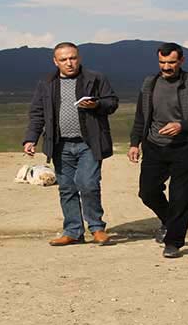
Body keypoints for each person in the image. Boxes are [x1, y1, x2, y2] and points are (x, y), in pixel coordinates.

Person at [127, 42, 188, 258]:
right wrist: (134, 142)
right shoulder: (149, 83)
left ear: (181, 61)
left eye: (171, 62)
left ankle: (173, 242)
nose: (166, 67)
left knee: (181, 197)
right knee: (147, 192)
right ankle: (171, 222)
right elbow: (141, 116)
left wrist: (182, 125)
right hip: (154, 147)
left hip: (185, 148)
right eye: (162, 62)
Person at [23, 42, 118, 246]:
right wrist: (31, 138)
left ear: (79, 58)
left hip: (89, 143)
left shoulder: (95, 78)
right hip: (60, 144)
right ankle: (73, 231)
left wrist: (97, 104)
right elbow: (37, 113)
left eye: (73, 58)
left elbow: (112, 103)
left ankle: (96, 228)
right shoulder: (47, 83)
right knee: (66, 187)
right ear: (55, 61)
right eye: (64, 59)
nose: (69, 63)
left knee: (88, 183)